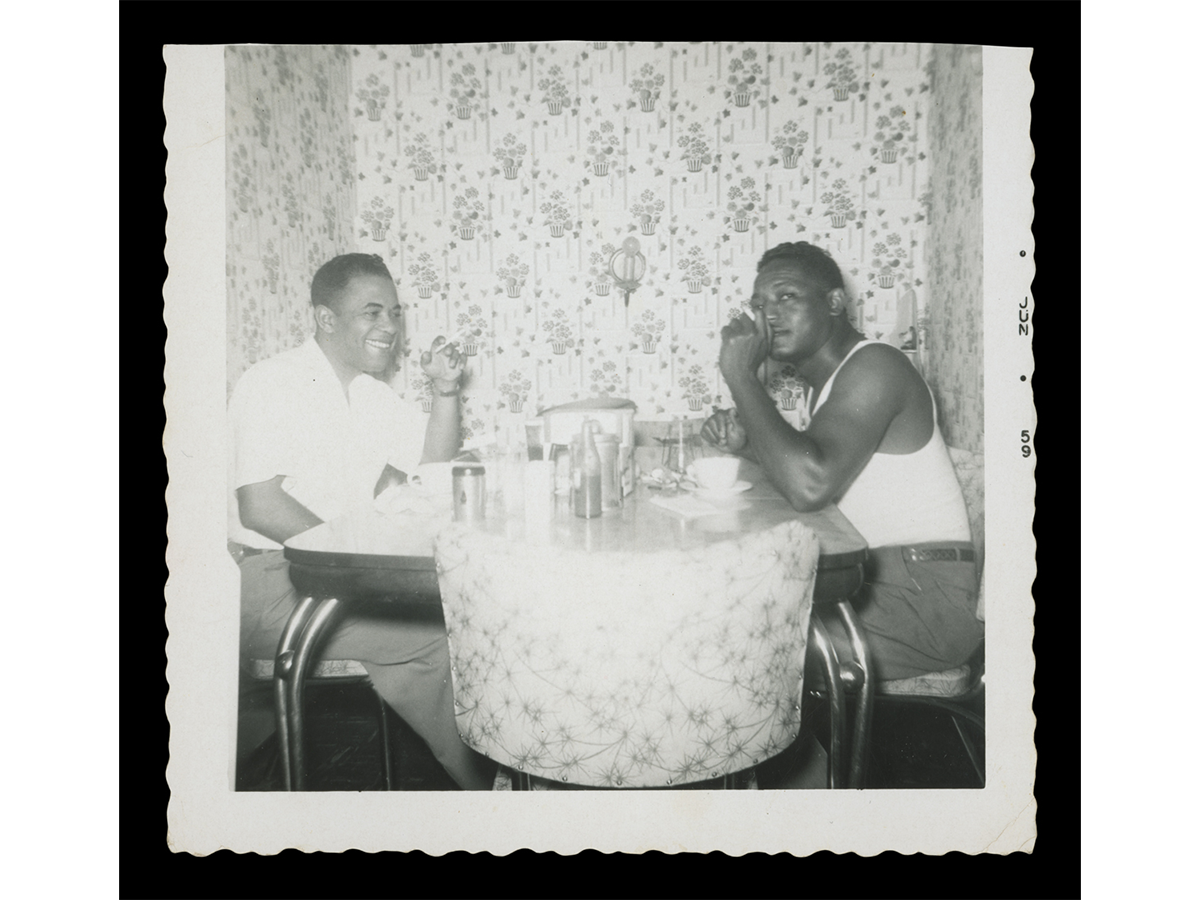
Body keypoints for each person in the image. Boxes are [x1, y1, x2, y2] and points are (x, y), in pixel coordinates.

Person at [227, 252, 495, 790]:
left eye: (394, 313)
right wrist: (355, 564)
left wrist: (445, 390)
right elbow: (259, 504)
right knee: (438, 637)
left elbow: (432, 463)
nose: (389, 326)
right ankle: (494, 791)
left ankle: (494, 777)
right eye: (372, 312)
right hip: (265, 582)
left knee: (468, 614)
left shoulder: (369, 394)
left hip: (329, 580)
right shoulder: (271, 382)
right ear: (326, 318)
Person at [701, 242, 982, 684]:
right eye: (758, 304)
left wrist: (739, 375)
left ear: (834, 302)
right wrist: (747, 445)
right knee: (722, 609)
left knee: (735, 639)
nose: (768, 315)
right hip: (878, 582)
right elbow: (822, 465)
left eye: (786, 296)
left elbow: (809, 486)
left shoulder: (876, 366)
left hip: (921, 600)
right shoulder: (825, 384)